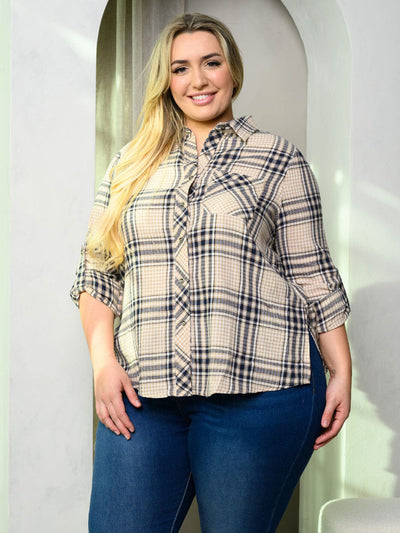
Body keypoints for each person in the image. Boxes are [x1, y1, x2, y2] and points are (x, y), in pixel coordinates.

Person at [70, 12, 352, 533]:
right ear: (167, 81)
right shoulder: (129, 164)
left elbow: (312, 273)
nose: (197, 80)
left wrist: (341, 372)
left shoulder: (279, 160)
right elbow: (97, 274)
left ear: (233, 71)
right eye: (180, 68)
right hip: (144, 392)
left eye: (211, 63)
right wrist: (103, 364)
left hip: (261, 390)